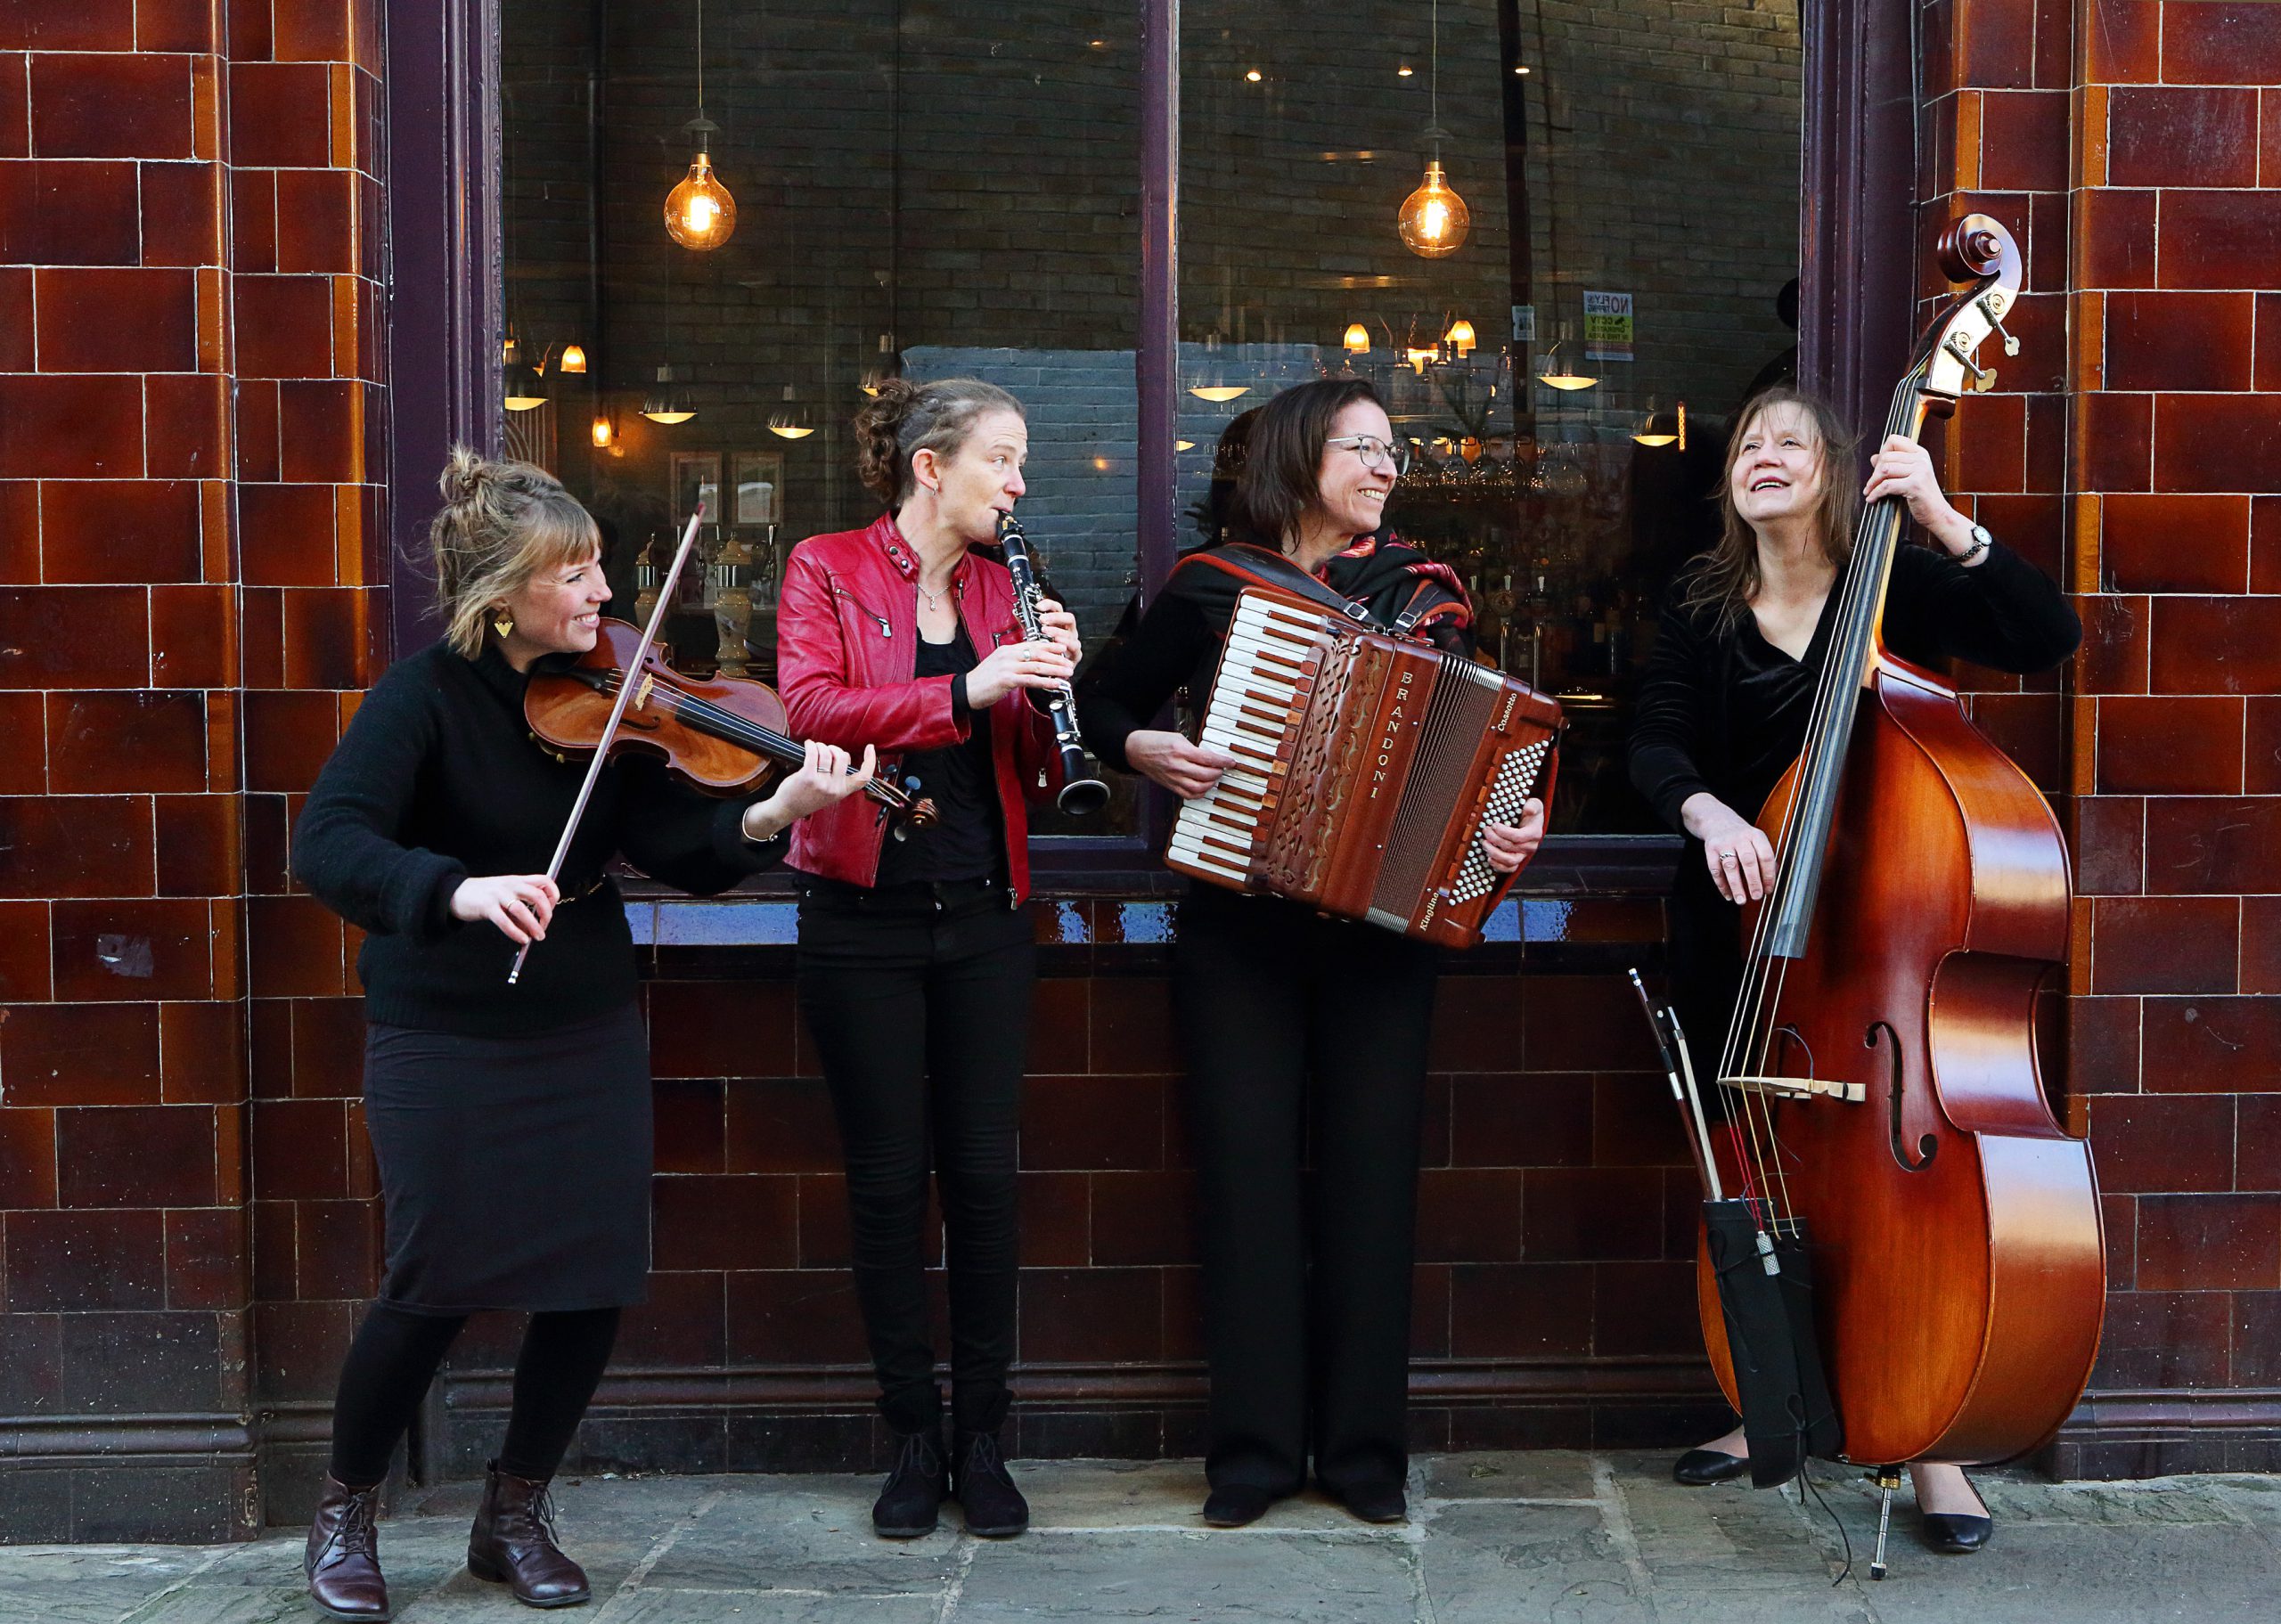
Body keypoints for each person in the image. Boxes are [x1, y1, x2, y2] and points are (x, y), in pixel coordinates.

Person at [290, 452, 871, 1623]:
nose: (603, 592)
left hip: (580, 1023)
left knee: (590, 1277)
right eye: (574, 573)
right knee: (433, 1275)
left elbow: (680, 838)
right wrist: (456, 891)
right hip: (445, 1027)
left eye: (601, 566)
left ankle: (514, 1510)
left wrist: (775, 810)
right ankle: (346, 1506)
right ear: (502, 596)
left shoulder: (616, 694)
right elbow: (329, 843)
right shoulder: (424, 699)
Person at [1075, 379, 1547, 1527]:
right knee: (1243, 1184)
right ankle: (1248, 1454)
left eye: (1393, 451)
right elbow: (1097, 703)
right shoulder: (1208, 586)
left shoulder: (1425, 594)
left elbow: (1475, 750)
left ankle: (1364, 1455)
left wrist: (1507, 824)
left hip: (1383, 938)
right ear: (1299, 457)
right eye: (1364, 448)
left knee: (1371, 1188)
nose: (1388, 468)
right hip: (1238, 927)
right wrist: (1148, 748)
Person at [1628, 388, 2082, 1555]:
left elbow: (2045, 635)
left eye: (1788, 441)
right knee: (1766, 1167)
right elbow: (1655, 734)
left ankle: (1931, 1437)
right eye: (1747, 442)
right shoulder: (1698, 602)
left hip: (1888, 945)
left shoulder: (1899, 588)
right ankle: (1764, 1397)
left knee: (1891, 1198)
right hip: (1749, 932)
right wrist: (1707, 810)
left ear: (1835, 471)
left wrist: (1938, 513)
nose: (1763, 455)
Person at [773, 378, 1081, 1540]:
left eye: (1020, 465)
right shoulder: (826, 565)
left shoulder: (1012, 590)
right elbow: (811, 701)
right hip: (860, 917)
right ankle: (911, 1432)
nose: (1017, 485)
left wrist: (1056, 691)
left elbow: (1043, 785)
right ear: (929, 468)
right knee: (889, 1185)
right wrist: (971, 685)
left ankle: (984, 1436)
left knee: (987, 1183)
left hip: (988, 916)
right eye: (1001, 462)